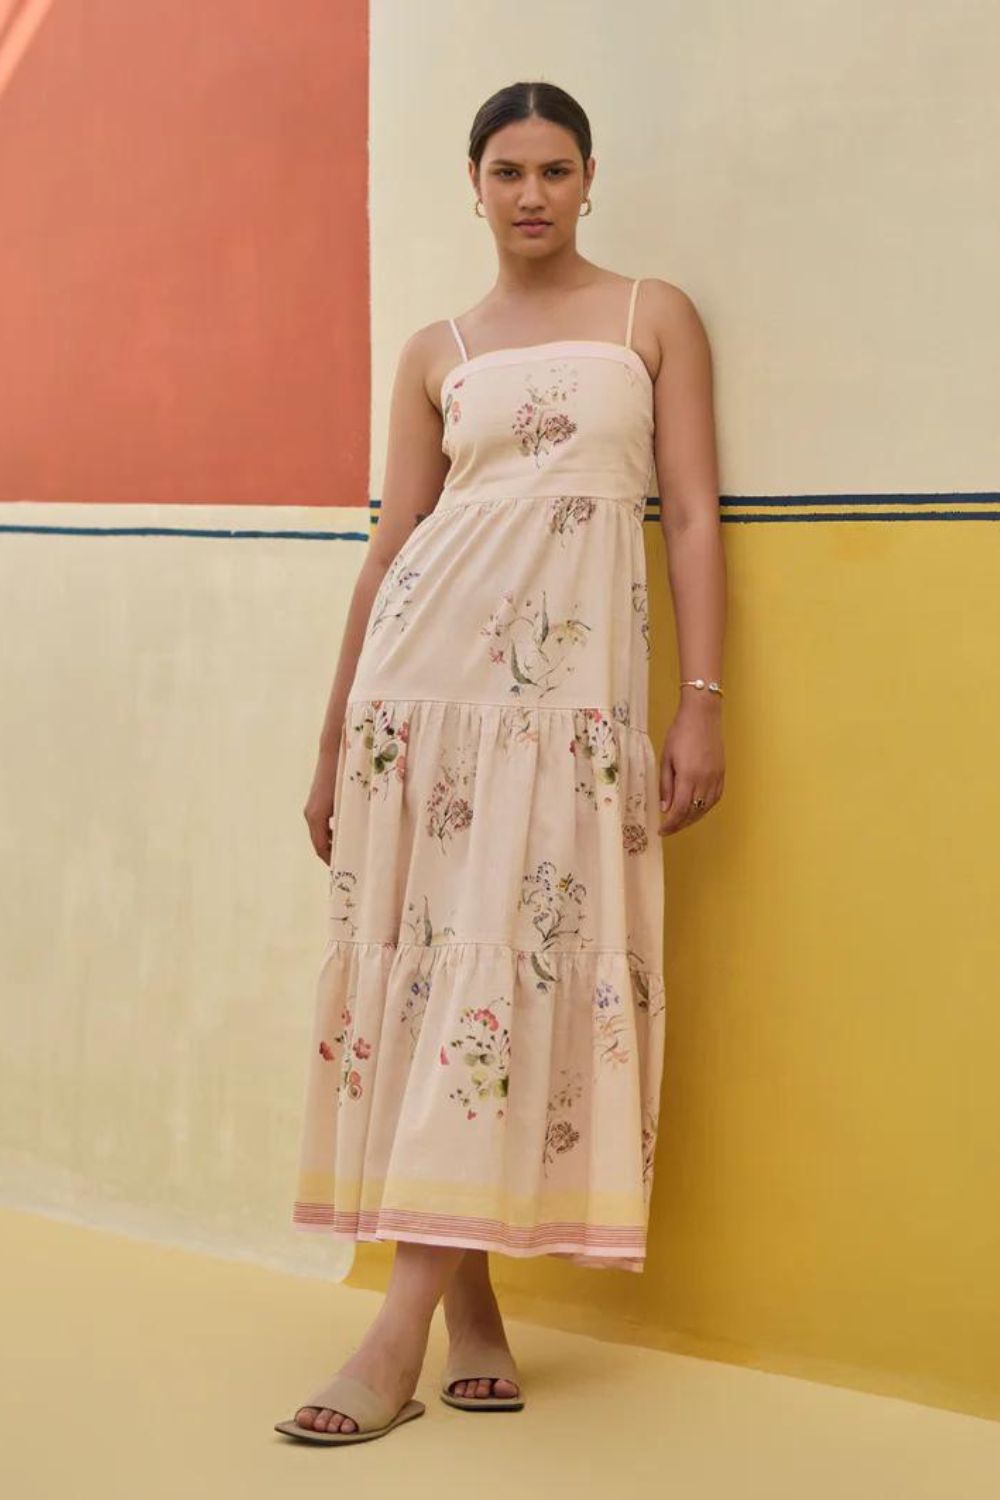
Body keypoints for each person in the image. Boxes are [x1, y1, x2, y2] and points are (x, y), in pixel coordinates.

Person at [276, 79, 726, 1446]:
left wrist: (701, 704)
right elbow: (392, 543)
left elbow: (692, 518)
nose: (533, 193)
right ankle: (437, 1321)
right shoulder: (439, 348)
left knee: (503, 974)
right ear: (472, 185)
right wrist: (332, 733)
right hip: (421, 697)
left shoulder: (652, 317)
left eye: (556, 169)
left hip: (567, 718)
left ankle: (416, 1326)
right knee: (442, 988)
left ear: (589, 180)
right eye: (508, 171)